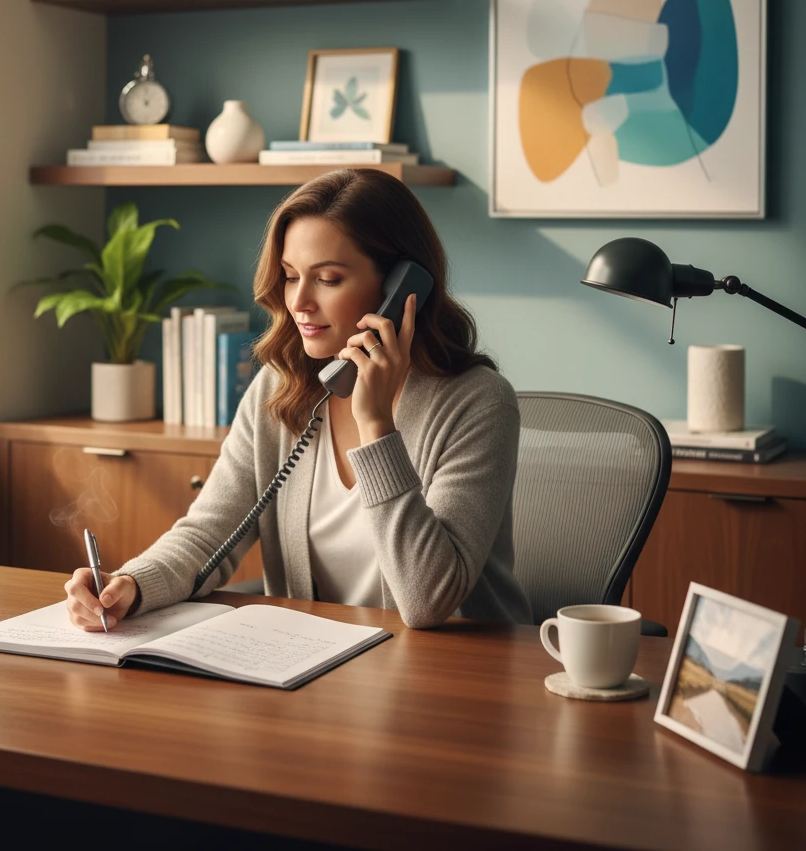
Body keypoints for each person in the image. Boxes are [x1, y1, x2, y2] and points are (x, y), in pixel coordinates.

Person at [65, 168, 532, 630]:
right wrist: (130, 583)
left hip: (455, 679)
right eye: (290, 276)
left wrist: (376, 427)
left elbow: (427, 600)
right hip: (314, 673)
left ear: (402, 287)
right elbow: (209, 533)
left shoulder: (477, 403)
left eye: (327, 279)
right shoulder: (280, 386)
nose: (299, 302)